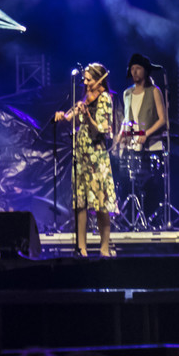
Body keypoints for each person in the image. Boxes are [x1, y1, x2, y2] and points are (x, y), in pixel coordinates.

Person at [53, 63, 116, 256]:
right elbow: (70, 118)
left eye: (89, 79)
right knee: (80, 203)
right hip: (81, 157)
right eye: (85, 79)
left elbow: (101, 130)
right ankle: (82, 248)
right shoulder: (85, 99)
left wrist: (87, 116)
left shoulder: (105, 99)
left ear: (99, 80)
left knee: (101, 204)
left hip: (97, 157)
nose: (86, 83)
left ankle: (104, 248)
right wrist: (62, 117)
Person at [119, 53, 169, 227]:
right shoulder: (127, 93)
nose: (135, 72)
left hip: (152, 146)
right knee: (130, 184)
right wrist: (121, 133)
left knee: (151, 185)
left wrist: (146, 134)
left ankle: (151, 220)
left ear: (145, 71)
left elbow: (163, 119)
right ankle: (131, 219)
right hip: (133, 146)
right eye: (132, 69)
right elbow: (126, 118)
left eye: (138, 68)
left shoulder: (154, 91)